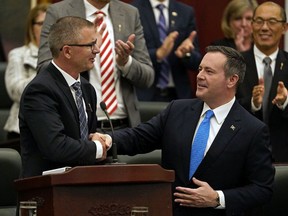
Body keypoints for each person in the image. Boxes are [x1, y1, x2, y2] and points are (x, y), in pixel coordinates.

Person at [97, 46, 274, 216]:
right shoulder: (177, 110)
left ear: (232, 80)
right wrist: (106, 139)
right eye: (200, 69)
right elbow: (138, 137)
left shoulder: (253, 130)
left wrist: (218, 198)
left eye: (209, 72)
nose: (200, 76)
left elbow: (262, 189)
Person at [37, 0, 154, 130]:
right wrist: (83, 53)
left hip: (125, 126)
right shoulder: (59, 11)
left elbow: (148, 78)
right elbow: (44, 70)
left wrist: (126, 63)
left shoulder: (130, 13)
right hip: (79, 126)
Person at [19, 16, 110, 178]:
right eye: (90, 45)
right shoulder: (40, 90)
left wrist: (96, 136)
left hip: (82, 185)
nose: (97, 50)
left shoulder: (87, 88)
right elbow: (56, 146)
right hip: (45, 191)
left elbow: (81, 135)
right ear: (67, 51)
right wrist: (96, 147)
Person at [236, 1, 288, 162]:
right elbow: (223, 110)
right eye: (259, 21)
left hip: (284, 157)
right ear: (252, 26)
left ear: (285, 28)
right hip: (242, 155)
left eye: (272, 22)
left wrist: (285, 103)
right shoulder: (234, 63)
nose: (264, 27)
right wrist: (253, 104)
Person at [132, 0, 201, 102]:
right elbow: (129, 56)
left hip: (178, 95)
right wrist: (158, 54)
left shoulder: (185, 11)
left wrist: (186, 54)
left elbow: (197, 62)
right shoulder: (133, 10)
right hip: (145, 94)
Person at [3, 3, 49, 140]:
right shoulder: (18, 54)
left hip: (54, 129)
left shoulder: (64, 56)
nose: (47, 28)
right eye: (42, 23)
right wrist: (47, 70)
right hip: (22, 131)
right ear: (31, 27)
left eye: (51, 24)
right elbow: (16, 92)